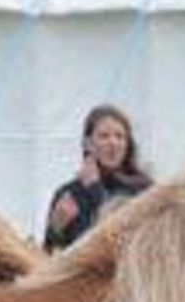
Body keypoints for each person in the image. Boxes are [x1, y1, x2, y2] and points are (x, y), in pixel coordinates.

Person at [43, 104, 152, 250]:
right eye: (104, 136)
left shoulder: (143, 190)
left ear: (127, 144)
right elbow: (49, 255)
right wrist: (55, 229)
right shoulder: (69, 193)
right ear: (88, 144)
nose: (113, 143)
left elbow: (122, 238)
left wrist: (94, 189)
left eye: (120, 136)